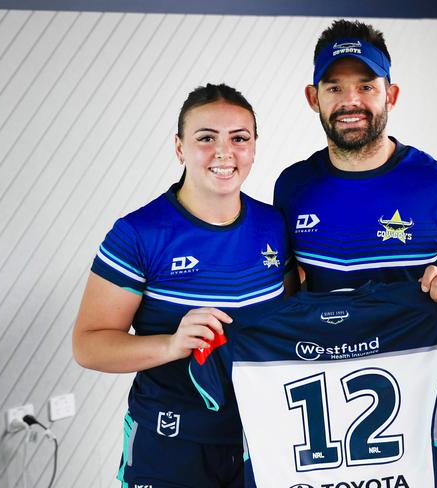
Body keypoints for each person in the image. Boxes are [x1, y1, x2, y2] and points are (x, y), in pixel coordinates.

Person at [274, 20, 437, 488]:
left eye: (366, 86)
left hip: (435, 423)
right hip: (332, 426)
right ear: (313, 98)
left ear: (390, 95)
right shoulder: (292, 187)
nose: (350, 101)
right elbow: (286, 294)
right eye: (334, 87)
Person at [73, 83, 293, 488]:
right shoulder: (138, 234)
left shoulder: (274, 226)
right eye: (206, 138)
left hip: (264, 437)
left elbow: (292, 322)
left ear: (254, 146)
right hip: (171, 443)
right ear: (179, 147)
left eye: (239, 138)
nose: (224, 152)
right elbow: (88, 345)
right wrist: (172, 344)